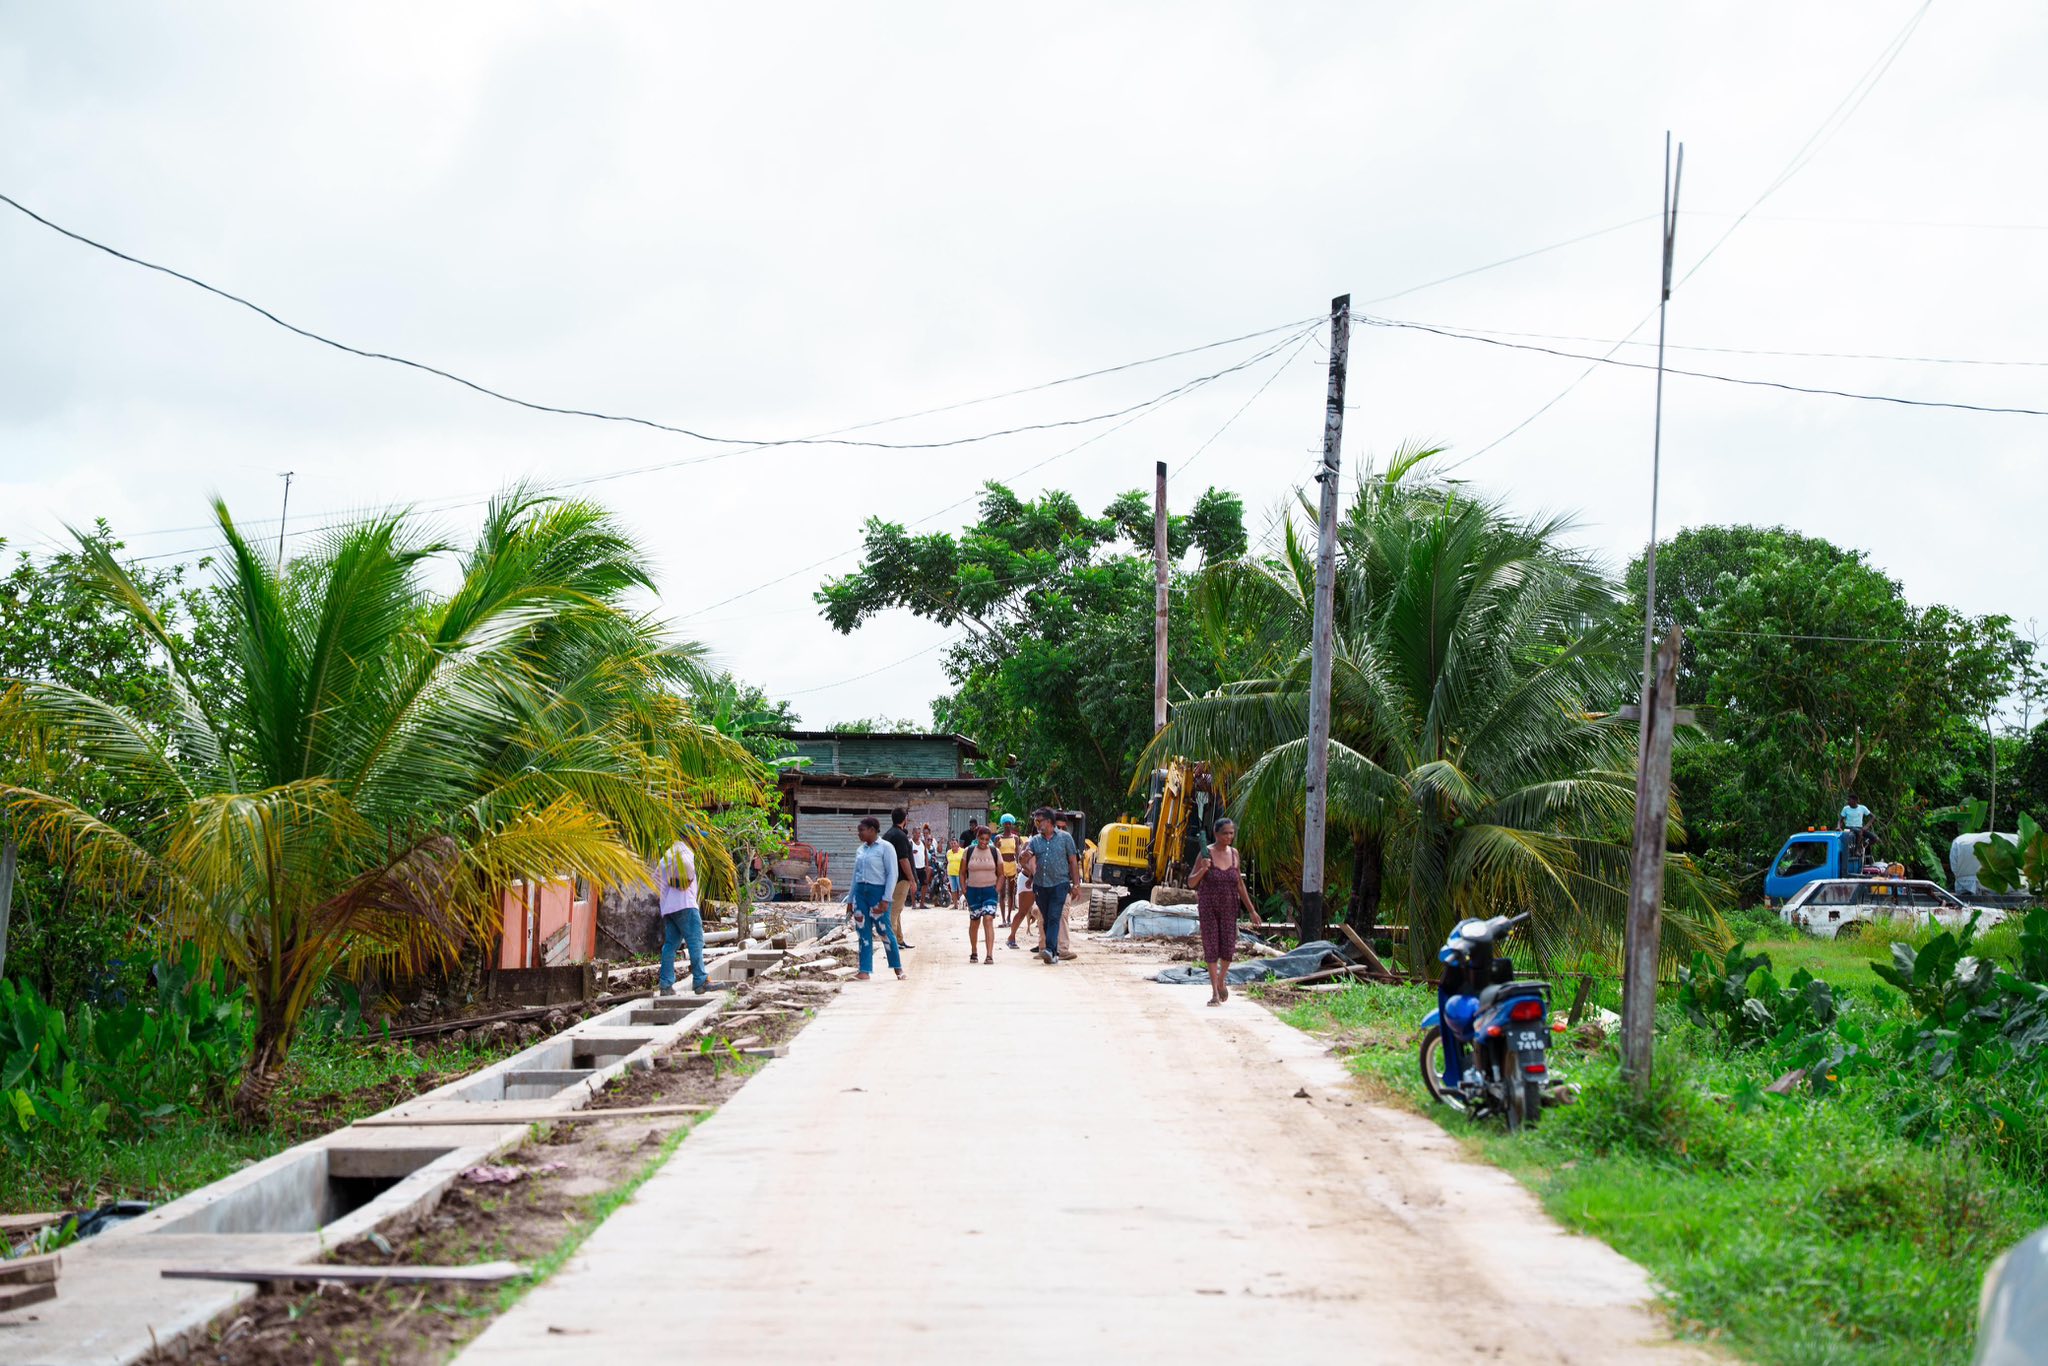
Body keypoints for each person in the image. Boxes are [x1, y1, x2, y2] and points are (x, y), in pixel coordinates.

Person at [1190, 817, 1263, 1006]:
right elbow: (1191, 882)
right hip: (1209, 907)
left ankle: (1222, 979)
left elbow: (1239, 884)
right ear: (1216, 834)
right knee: (1211, 946)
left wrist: (1252, 910)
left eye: (1232, 833)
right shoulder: (1206, 854)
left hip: (1230, 907)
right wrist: (1202, 870)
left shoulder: (1235, 854)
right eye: (1225, 833)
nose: (1229, 837)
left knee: (1228, 947)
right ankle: (1214, 991)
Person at [1020, 807, 1082, 966]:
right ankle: (1052, 953)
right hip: (1041, 886)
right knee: (1046, 919)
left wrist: (1076, 884)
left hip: (1060, 884)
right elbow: (1024, 861)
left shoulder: (1065, 838)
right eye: (1036, 821)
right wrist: (1023, 858)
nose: (1037, 824)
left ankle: (1049, 949)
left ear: (1049, 822)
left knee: (1055, 915)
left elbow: (1073, 861)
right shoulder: (1035, 841)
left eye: (1040, 821)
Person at [844, 816, 904, 980]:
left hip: (878, 895)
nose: (859, 834)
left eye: (861, 830)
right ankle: (864, 970)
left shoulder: (886, 848)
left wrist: (886, 898)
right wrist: (850, 901)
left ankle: (898, 968)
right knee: (863, 932)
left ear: (872, 830)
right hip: (860, 895)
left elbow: (893, 874)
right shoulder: (860, 850)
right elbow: (854, 877)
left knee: (884, 931)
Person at [655, 837, 710, 996]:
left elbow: (657, 877)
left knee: (670, 945)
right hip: (685, 904)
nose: (700, 842)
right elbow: (686, 872)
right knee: (695, 941)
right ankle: (700, 981)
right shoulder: (684, 852)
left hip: (668, 906)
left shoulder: (669, 853)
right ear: (690, 838)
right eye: (698, 838)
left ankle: (665, 985)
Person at [961, 825, 1003, 963]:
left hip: (990, 891)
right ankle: (974, 951)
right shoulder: (968, 851)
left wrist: (996, 889)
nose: (984, 842)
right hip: (973, 890)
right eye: (981, 839)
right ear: (977, 838)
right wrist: (964, 889)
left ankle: (989, 954)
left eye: (986, 839)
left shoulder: (995, 851)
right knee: (974, 921)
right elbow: (962, 872)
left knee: (988, 919)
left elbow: (1001, 874)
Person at [882, 807, 916, 950]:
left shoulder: (887, 835)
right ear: (905, 819)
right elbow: (904, 860)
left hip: (889, 878)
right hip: (900, 879)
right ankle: (891, 943)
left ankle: (899, 939)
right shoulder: (900, 836)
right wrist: (912, 880)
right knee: (894, 911)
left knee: (897, 909)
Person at [995, 814, 1022, 926]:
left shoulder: (1015, 838)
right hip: (1001, 866)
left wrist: (1019, 865)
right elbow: (995, 852)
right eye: (1005, 823)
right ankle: (1003, 919)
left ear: (1011, 824)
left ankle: (1009, 918)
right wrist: (997, 845)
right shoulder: (998, 838)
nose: (1007, 825)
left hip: (1012, 865)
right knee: (1002, 894)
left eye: (1009, 823)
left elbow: (1018, 853)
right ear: (1003, 824)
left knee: (1011, 892)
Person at [1840, 794, 1875, 862]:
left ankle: (1862, 847)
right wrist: (1838, 826)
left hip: (1860, 828)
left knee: (1875, 839)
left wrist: (1867, 826)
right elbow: (1840, 819)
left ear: (1855, 801)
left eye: (1849, 800)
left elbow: (1873, 817)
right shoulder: (1846, 808)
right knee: (1859, 832)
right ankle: (1856, 850)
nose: (1848, 802)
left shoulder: (1862, 808)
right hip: (1849, 827)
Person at [909, 824, 930, 908]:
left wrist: (927, 865)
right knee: (913, 885)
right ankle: (913, 904)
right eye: (916, 833)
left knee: (925, 884)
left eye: (919, 833)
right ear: (913, 833)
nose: (918, 835)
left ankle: (922, 903)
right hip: (914, 867)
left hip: (922, 867)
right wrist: (911, 852)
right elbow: (907, 854)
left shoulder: (922, 842)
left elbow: (925, 853)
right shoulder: (910, 842)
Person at [945, 835, 966, 908]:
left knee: (961, 889)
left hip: (959, 873)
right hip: (951, 873)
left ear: (958, 844)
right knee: (953, 889)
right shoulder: (948, 852)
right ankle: (955, 905)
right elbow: (948, 862)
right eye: (951, 843)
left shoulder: (963, 851)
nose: (953, 845)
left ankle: (962, 905)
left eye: (954, 843)